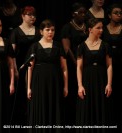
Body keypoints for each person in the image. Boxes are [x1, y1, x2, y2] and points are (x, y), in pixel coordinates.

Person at [27, 19, 68, 133]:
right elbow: (30, 68)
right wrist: (28, 87)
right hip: (39, 82)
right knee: (40, 108)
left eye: (53, 30)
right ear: (41, 31)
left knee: (54, 107)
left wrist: (65, 86)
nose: (50, 32)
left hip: (55, 82)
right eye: (47, 30)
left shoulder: (58, 46)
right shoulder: (35, 46)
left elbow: (64, 68)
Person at [76, 18, 114, 133]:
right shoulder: (81, 46)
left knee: (101, 108)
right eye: (98, 28)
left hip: (101, 80)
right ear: (90, 29)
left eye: (102, 27)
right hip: (87, 80)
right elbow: (79, 67)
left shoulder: (105, 45)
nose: (101, 30)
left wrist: (109, 84)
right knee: (87, 109)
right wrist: (80, 85)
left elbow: (109, 66)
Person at [9, 6, 41, 128]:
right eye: (29, 14)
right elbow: (12, 54)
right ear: (22, 16)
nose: (33, 17)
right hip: (21, 67)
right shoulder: (16, 32)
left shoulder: (38, 31)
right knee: (21, 94)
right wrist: (15, 69)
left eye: (34, 15)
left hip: (35, 68)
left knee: (33, 92)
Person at [60, 3, 87, 132]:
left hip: (86, 62)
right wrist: (76, 62)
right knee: (73, 89)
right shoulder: (67, 27)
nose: (83, 15)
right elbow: (66, 48)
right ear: (73, 14)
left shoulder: (87, 26)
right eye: (80, 12)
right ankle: (72, 121)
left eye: (84, 12)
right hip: (73, 63)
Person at [102, 3, 122, 133]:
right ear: (109, 15)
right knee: (109, 93)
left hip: (121, 64)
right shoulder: (103, 29)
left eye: (120, 13)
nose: (119, 15)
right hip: (107, 65)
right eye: (116, 13)